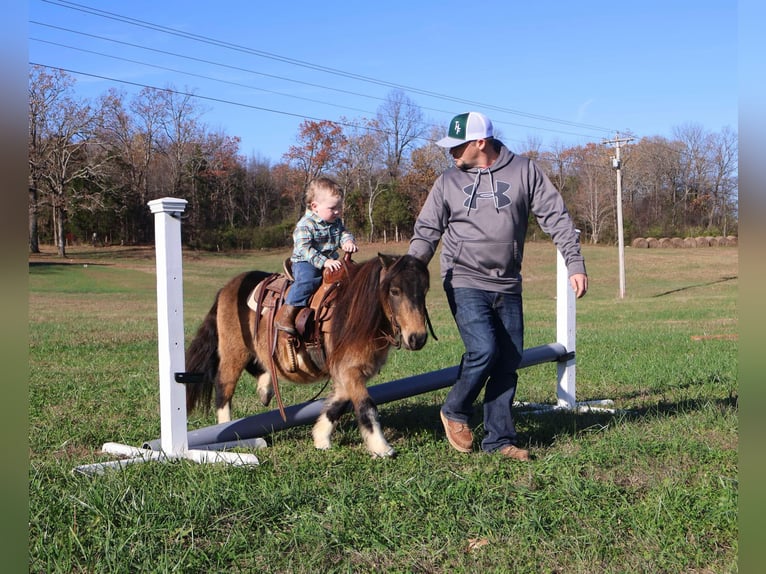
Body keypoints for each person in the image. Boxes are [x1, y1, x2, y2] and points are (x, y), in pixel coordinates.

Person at [408, 112, 588, 461]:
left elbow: (556, 217)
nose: (451, 152)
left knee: (508, 359)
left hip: (507, 282)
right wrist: (410, 270)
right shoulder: (447, 181)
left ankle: (500, 440)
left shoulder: (524, 171)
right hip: (463, 278)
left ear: (480, 142)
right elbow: (427, 230)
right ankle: (455, 410)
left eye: (457, 145)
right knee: (485, 350)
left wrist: (575, 263)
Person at [276, 177, 358, 335]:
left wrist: (347, 241)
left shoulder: (336, 222)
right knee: (308, 280)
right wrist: (324, 261)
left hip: (330, 261)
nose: (337, 212)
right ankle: (287, 312)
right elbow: (304, 249)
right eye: (332, 208)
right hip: (306, 262)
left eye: (339, 207)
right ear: (315, 206)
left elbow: (344, 233)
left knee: (351, 277)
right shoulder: (305, 225)